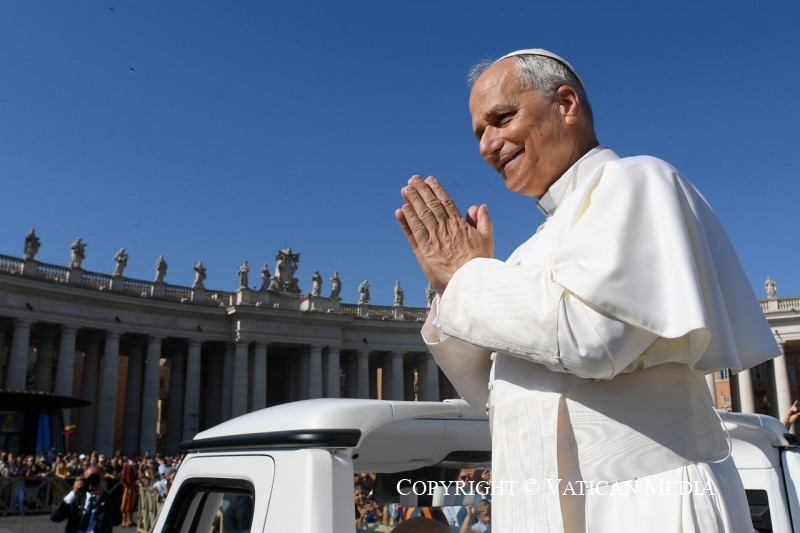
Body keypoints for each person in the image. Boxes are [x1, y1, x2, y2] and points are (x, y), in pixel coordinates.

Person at [396, 48, 780, 531]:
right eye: (479, 133)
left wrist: (469, 275)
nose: (487, 145)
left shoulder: (637, 180)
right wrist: (453, 285)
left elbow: (592, 337)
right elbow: (492, 393)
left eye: (502, 118)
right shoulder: (528, 251)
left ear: (566, 104)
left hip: (648, 506)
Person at [51, 464, 122, 533]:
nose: (92, 482)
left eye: (95, 479)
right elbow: (55, 517)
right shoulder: (77, 498)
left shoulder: (110, 499)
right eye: (89, 479)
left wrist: (104, 499)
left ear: (103, 479)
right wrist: (73, 492)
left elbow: (117, 521)